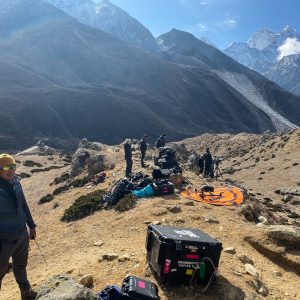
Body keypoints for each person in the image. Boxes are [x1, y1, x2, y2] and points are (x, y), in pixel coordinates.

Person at [0, 154, 37, 300]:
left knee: (21, 265)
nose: (11, 170)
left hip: (22, 233)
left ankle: (26, 293)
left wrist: (31, 225)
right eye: (6, 167)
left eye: (13, 167)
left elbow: (23, 205)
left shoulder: (16, 182)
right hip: (3, 239)